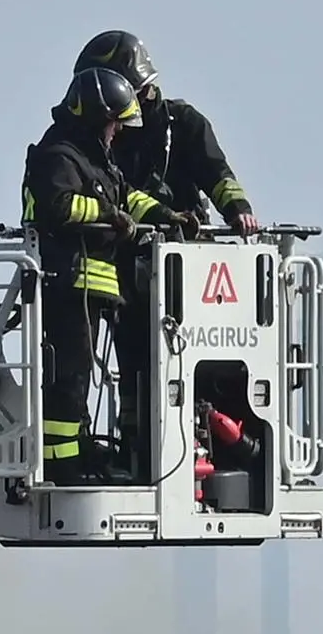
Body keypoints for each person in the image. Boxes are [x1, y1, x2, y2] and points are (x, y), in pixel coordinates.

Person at [21, 64, 165, 478]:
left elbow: (127, 198)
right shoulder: (58, 156)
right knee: (68, 383)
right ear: (96, 119)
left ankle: (79, 453)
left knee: (80, 382)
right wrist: (107, 214)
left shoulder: (91, 158)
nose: (117, 132)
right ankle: (62, 466)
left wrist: (169, 214)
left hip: (89, 290)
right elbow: (60, 208)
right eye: (114, 124)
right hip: (66, 285)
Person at [78, 29, 260, 233]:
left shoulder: (183, 122)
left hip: (185, 245)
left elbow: (217, 175)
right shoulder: (88, 135)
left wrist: (238, 209)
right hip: (116, 245)